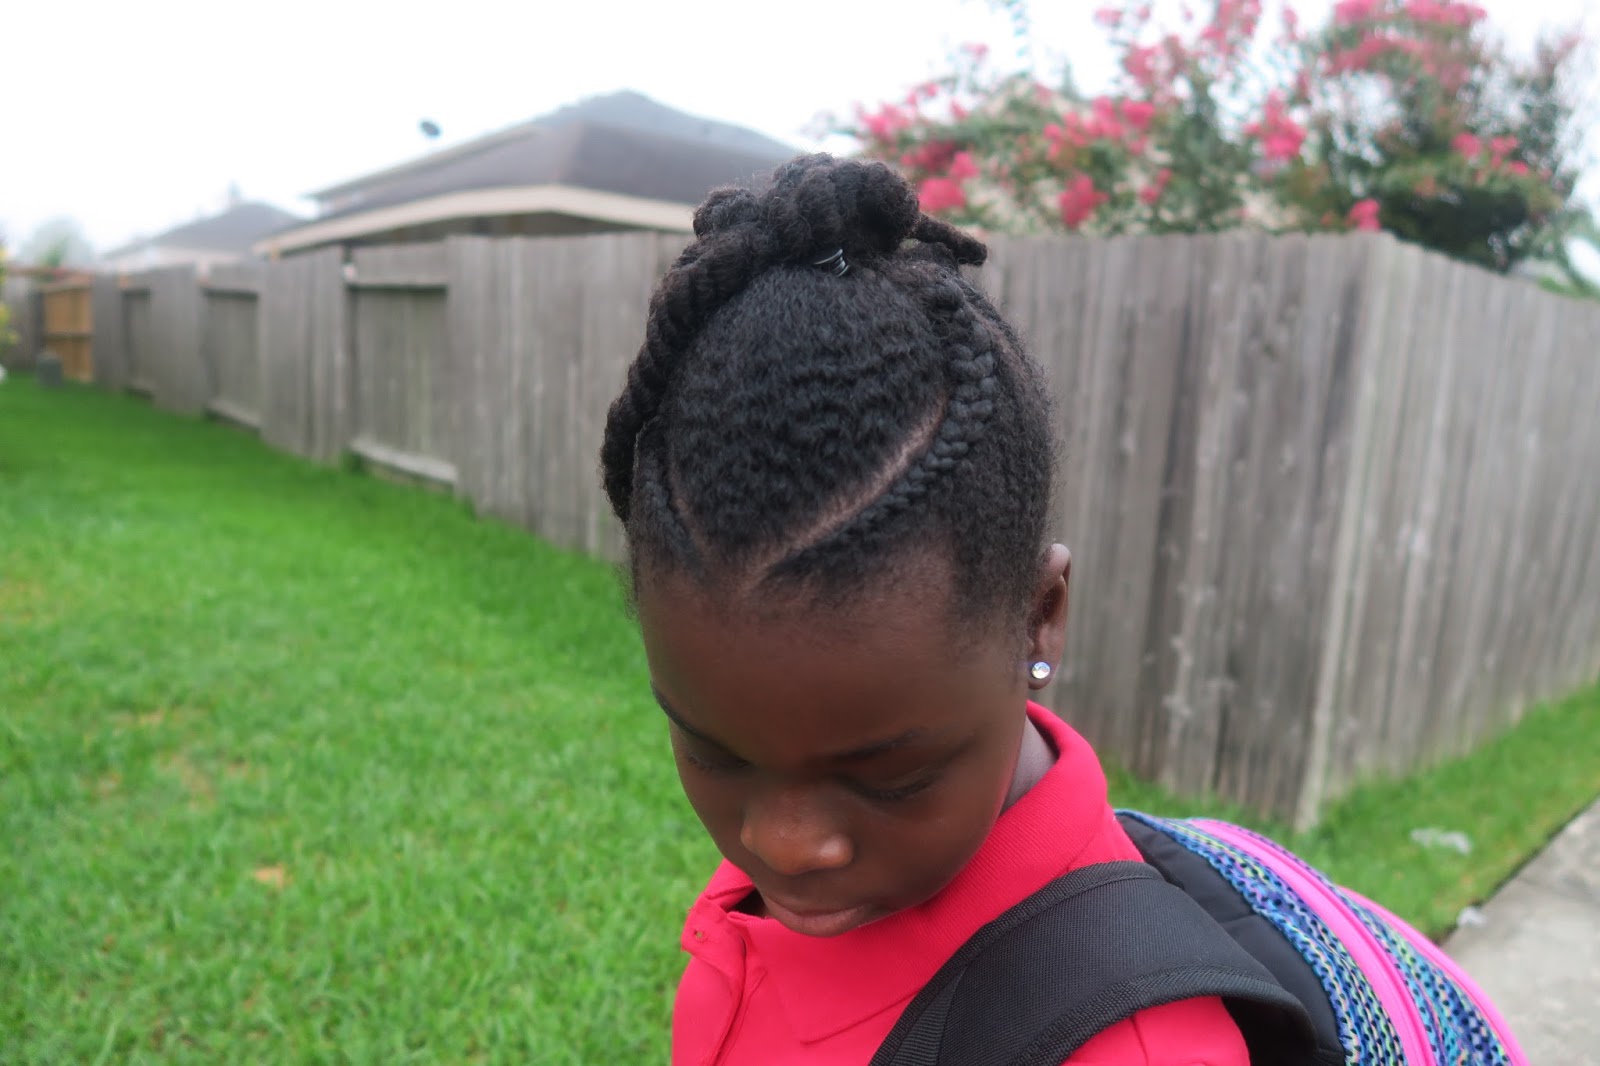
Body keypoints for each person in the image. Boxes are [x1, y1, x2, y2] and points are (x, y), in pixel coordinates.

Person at [598, 153, 1253, 1065]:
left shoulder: (1129, 1047)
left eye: (891, 776)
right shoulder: (839, 846)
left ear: (1040, 615)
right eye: (715, 752)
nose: (782, 846)